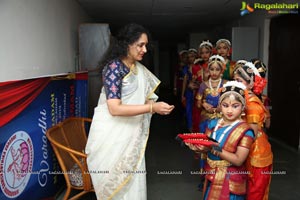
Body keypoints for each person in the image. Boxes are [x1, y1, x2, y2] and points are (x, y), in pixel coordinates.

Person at [85, 23, 175, 200]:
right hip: (112, 136)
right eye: (140, 45)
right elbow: (114, 108)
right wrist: (151, 107)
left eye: (146, 45)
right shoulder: (114, 69)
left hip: (131, 137)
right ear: (127, 44)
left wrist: (156, 106)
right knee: (116, 184)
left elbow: (140, 98)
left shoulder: (137, 69)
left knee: (133, 179)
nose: (145, 50)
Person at [186, 81, 255, 200]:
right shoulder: (213, 124)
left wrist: (212, 148)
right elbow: (206, 147)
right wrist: (199, 148)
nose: (229, 110)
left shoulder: (246, 131)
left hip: (231, 181)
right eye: (225, 105)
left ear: (243, 107)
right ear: (219, 106)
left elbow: (238, 160)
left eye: (235, 106)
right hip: (212, 176)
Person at [233, 62, 273, 200]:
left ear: (250, 84)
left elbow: (252, 134)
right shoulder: (244, 100)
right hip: (249, 149)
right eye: (234, 80)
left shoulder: (252, 104)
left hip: (256, 152)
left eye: (239, 81)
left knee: (255, 191)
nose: (236, 84)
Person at [196, 55, 227, 133]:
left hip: (222, 119)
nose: (214, 72)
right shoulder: (203, 85)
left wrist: (221, 107)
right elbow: (198, 104)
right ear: (208, 70)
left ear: (222, 70)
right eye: (212, 69)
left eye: (217, 69)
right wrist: (203, 104)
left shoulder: (226, 84)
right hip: (206, 119)